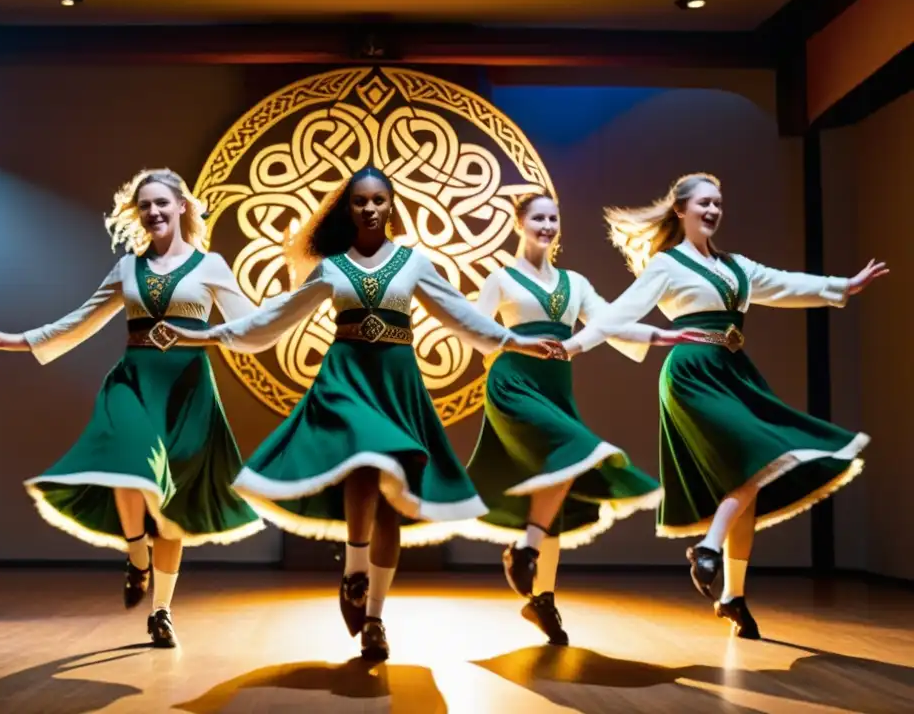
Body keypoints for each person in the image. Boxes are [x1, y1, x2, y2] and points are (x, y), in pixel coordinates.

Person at [162, 166, 565, 661]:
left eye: (378, 201)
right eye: (360, 202)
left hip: (396, 384)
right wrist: (209, 334)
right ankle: (354, 572)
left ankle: (374, 617)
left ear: (390, 206)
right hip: (346, 380)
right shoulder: (331, 267)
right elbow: (274, 318)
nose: (369, 209)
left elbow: (461, 315)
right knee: (367, 460)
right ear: (348, 208)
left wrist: (514, 340)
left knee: (389, 501)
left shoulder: (413, 263)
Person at [574, 172, 886, 638]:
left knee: (752, 481)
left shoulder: (736, 267)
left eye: (718, 203)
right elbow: (617, 315)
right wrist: (574, 346)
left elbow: (784, 284)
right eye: (704, 203)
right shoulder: (665, 266)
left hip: (733, 370)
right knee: (751, 463)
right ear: (681, 210)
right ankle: (708, 548)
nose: (714, 211)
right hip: (691, 374)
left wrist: (843, 285)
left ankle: (733, 596)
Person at [0, 169, 265, 648]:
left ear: (182, 208)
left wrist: (297, 309)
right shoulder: (129, 268)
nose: (153, 212)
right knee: (129, 465)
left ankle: (162, 612)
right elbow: (84, 318)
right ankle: (136, 556)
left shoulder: (211, 266)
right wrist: (22, 340)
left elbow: (248, 325)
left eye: (162, 204)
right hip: (134, 381)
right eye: (145, 205)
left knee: (173, 507)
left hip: (189, 390)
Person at [461, 193, 704, 645]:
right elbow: (478, 331)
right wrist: (516, 343)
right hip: (514, 384)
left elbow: (610, 322)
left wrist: (660, 335)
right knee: (571, 455)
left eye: (554, 217)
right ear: (520, 224)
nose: (548, 225)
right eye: (538, 217)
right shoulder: (501, 278)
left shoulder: (574, 283)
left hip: (556, 388)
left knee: (560, 477)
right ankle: (525, 551)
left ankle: (542, 597)